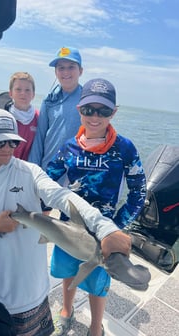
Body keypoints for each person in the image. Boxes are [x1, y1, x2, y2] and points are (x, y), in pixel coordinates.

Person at [0, 107, 132, 336]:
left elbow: (62, 196)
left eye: (12, 143)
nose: (7, 149)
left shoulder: (29, 172)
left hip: (33, 296)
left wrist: (105, 228)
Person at [46, 78, 147, 336]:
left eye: (103, 110)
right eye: (88, 109)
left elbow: (139, 192)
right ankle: (66, 311)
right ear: (79, 110)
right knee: (68, 271)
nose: (95, 116)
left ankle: (95, 328)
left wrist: (115, 227)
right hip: (70, 226)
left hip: (104, 236)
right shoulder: (68, 147)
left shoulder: (125, 148)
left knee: (98, 283)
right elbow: (48, 181)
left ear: (113, 112)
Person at [28, 46, 83, 184]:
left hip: (76, 175)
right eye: (61, 68)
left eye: (71, 67)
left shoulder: (88, 99)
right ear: (55, 72)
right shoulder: (49, 99)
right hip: (48, 171)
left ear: (80, 71)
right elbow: (39, 136)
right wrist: (33, 170)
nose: (66, 72)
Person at [0, 71, 39, 161]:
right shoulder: (4, 116)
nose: (23, 93)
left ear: (33, 94)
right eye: (18, 89)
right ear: (10, 93)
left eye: (27, 90)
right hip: (3, 165)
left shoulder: (39, 117)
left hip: (27, 167)